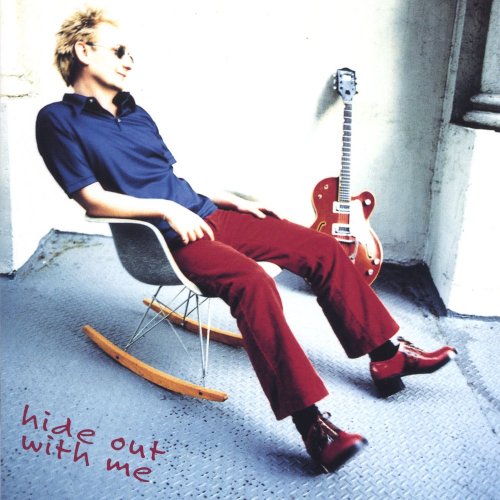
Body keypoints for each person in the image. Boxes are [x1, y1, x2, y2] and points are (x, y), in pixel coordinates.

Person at [36, 8, 457, 473]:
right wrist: (167, 210)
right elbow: (92, 200)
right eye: (118, 51)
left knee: (320, 247)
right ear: (83, 51)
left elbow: (168, 179)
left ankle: (387, 355)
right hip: (168, 238)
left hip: (208, 214)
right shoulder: (58, 120)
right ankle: (312, 425)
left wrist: (228, 199)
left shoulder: (137, 114)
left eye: (130, 53)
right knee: (253, 282)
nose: (129, 60)